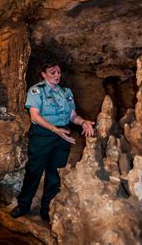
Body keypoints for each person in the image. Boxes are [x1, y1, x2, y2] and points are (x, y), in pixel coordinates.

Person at [10, 59, 95, 223]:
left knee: (55, 173)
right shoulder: (36, 91)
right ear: (43, 74)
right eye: (52, 72)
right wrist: (54, 129)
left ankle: (46, 208)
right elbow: (35, 116)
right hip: (43, 135)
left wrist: (83, 121)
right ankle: (23, 205)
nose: (57, 75)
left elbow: (72, 116)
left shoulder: (66, 92)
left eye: (58, 72)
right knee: (34, 171)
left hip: (62, 135)